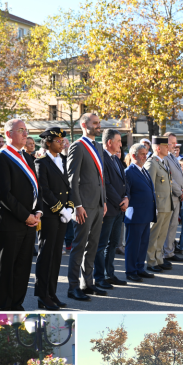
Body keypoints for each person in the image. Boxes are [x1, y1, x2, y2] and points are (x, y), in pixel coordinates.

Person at [0, 118, 43, 312]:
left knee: (22, 269)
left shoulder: (27, 157)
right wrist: (25, 215)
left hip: (29, 221)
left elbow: (37, 187)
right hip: (9, 222)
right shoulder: (0, 157)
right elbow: (3, 194)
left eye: (26, 130)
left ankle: (16, 306)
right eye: (20, 130)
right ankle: (3, 309)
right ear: (8, 134)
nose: (25, 133)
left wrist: (38, 211)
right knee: (7, 270)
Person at [67, 112, 107, 300]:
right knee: (79, 245)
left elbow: (101, 177)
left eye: (99, 123)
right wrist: (77, 205)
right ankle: (73, 286)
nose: (99, 126)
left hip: (98, 204)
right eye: (95, 123)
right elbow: (72, 179)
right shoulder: (78, 146)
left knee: (93, 245)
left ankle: (88, 283)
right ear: (84, 124)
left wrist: (104, 201)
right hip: (84, 205)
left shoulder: (98, 146)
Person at [34, 127, 73, 311]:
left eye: (62, 140)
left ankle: (52, 292)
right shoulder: (41, 163)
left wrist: (70, 207)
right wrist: (60, 209)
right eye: (58, 140)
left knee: (57, 256)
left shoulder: (64, 160)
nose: (62, 143)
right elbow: (44, 190)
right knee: (46, 255)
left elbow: (70, 185)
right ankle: (42, 295)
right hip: (50, 215)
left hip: (63, 214)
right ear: (48, 142)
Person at [94, 128, 128, 289]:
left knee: (113, 243)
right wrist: (120, 201)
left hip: (119, 208)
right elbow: (105, 183)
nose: (121, 145)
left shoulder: (115, 159)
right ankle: (99, 277)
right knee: (101, 244)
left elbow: (124, 181)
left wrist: (127, 197)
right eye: (118, 141)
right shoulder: (102, 159)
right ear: (109, 142)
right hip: (109, 208)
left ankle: (109, 274)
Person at [124, 142, 158, 282]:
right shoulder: (128, 172)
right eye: (143, 154)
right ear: (134, 155)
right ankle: (131, 271)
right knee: (133, 244)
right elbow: (126, 194)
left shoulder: (143, 170)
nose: (145, 157)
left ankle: (139, 268)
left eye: (146, 154)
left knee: (143, 243)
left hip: (145, 214)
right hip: (135, 215)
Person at [145, 138, 174, 273]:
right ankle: (151, 261)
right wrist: (153, 206)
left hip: (167, 204)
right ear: (158, 148)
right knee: (154, 234)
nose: (168, 148)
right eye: (165, 145)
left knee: (161, 234)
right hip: (158, 205)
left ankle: (159, 258)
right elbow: (149, 187)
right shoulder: (152, 163)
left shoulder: (163, 162)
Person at [163, 132, 183, 262]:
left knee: (173, 225)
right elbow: (169, 179)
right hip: (170, 197)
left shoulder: (173, 157)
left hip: (178, 196)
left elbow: (181, 176)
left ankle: (170, 251)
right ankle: (166, 252)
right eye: (171, 143)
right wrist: (180, 192)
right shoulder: (163, 158)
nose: (174, 145)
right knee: (167, 226)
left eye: (175, 143)